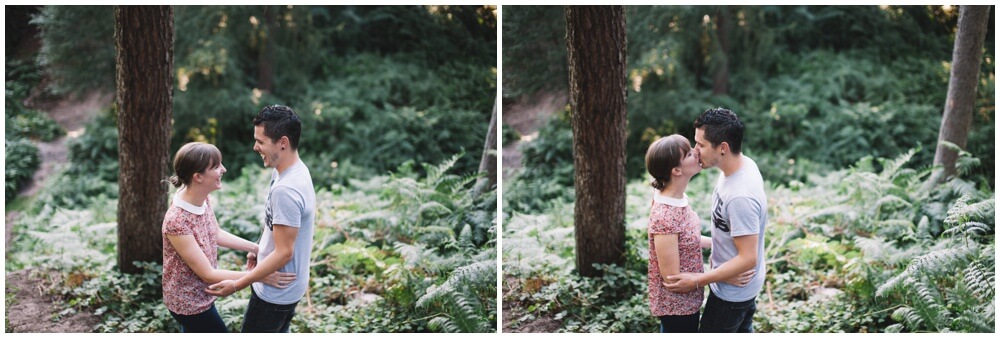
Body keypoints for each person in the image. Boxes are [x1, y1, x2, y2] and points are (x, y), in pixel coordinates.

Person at [162, 142, 296, 333]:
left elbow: (215, 233)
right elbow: (208, 274)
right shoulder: (176, 221)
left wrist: (258, 249)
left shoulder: (199, 197)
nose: (223, 169)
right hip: (189, 304)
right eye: (216, 166)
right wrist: (262, 277)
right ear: (198, 177)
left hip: (203, 294)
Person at [206, 105, 316, 333]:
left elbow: (285, 252)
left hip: (276, 291)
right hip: (285, 284)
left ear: (282, 142)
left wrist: (236, 285)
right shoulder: (290, 170)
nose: (255, 147)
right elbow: (274, 222)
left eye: (261, 141)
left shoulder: (286, 189)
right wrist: (259, 248)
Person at [664, 107, 768, 333]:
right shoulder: (740, 166)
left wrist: (699, 279)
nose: (695, 150)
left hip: (732, 295)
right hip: (733, 285)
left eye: (701, 145)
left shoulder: (740, 195)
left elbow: (748, 258)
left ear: (723, 148)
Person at [644, 134, 708, 333]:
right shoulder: (665, 215)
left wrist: (722, 242)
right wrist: (722, 276)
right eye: (689, 153)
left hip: (689, 301)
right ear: (676, 170)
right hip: (677, 308)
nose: (696, 152)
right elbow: (672, 278)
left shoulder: (676, 197)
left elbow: (686, 240)